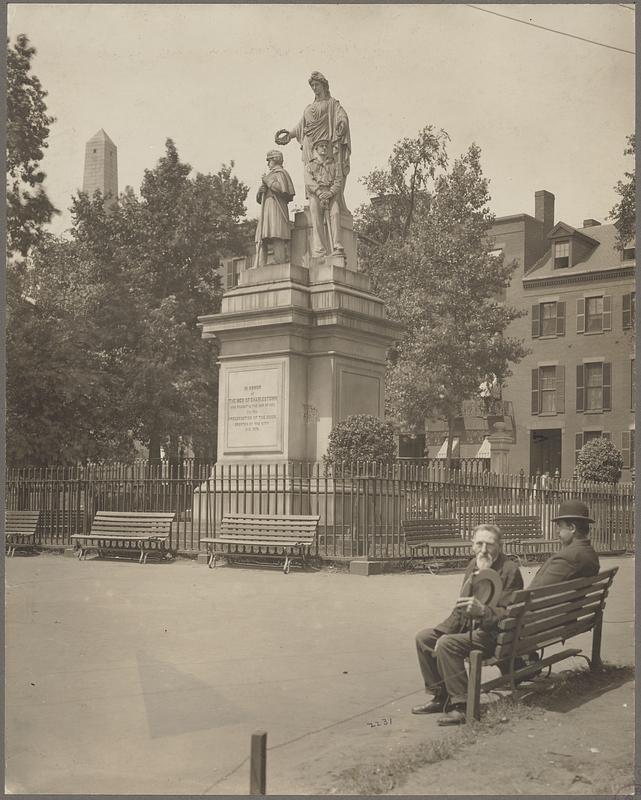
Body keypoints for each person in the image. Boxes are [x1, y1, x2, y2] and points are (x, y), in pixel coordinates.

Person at [413, 524, 523, 726]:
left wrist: (483, 612)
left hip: (494, 635)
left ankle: (463, 706)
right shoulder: (474, 565)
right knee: (424, 638)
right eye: (479, 544)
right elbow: (461, 607)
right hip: (472, 630)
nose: (483, 550)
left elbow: (509, 613)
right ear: (472, 545)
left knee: (447, 644)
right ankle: (441, 697)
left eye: (489, 545)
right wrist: (440, 632)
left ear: (499, 545)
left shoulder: (509, 570)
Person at [275, 71, 351, 213]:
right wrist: (289, 135)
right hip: (309, 144)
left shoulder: (332, 103)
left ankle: (333, 199)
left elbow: (342, 115)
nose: (315, 88)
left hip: (327, 143)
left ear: (324, 85)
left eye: (317, 85)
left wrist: (342, 122)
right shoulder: (309, 108)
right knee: (311, 173)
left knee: (330, 171)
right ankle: (313, 201)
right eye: (312, 86)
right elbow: (301, 126)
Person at [529, 499, 600, 587]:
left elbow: (535, 591)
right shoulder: (591, 553)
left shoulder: (566, 558)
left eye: (560, 526)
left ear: (572, 528)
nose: (557, 531)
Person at [254, 150, 295, 268]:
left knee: (277, 233)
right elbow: (260, 198)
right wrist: (260, 192)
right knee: (261, 236)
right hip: (266, 206)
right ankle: (260, 263)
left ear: (274, 160)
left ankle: (279, 260)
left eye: (269, 161)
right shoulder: (270, 174)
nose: (268, 164)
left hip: (276, 206)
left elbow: (282, 190)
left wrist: (267, 181)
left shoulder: (281, 173)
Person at [304, 139, 343, 257]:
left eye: (326, 146)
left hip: (330, 194)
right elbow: (308, 181)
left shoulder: (334, 165)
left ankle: (337, 245)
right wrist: (319, 192)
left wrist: (330, 193)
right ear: (316, 149)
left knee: (335, 213)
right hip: (316, 194)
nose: (324, 148)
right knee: (316, 219)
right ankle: (320, 249)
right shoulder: (310, 166)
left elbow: (338, 180)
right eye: (321, 146)